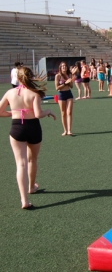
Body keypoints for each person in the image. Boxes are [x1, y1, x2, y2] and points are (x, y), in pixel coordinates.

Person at [0, 67, 56, 209]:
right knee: (33, 159)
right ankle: (31, 186)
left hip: (17, 128)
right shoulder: (34, 93)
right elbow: (38, 114)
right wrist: (48, 111)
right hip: (34, 128)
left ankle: (24, 200)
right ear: (30, 77)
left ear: (17, 78)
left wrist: (13, 113)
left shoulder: (10, 93)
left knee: (21, 164)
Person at [55, 62, 74, 136]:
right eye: (62, 66)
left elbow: (71, 86)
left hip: (69, 93)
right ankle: (65, 130)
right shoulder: (58, 76)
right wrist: (65, 83)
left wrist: (70, 82)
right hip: (61, 94)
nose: (64, 67)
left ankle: (69, 130)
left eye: (65, 66)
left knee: (69, 112)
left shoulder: (69, 75)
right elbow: (57, 88)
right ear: (60, 67)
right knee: (63, 113)